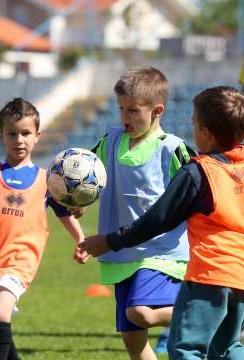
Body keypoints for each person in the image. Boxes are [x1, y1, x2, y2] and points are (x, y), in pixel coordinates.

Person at [80, 85, 244, 359]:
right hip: (239, 275)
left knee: (185, 347)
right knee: (228, 347)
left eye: (193, 123)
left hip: (210, 273)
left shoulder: (199, 172)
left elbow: (157, 220)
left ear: (205, 132)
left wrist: (110, 240)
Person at [0, 98, 89, 360]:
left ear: (37, 136)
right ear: (1, 136)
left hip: (20, 259)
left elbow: (64, 214)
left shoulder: (47, 180)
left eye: (26, 133)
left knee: (0, 312)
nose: (19, 139)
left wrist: (81, 239)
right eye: (12, 133)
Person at [80, 66, 196, 359]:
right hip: (120, 256)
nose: (125, 117)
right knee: (133, 340)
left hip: (161, 254)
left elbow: (200, 187)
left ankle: (212, 312)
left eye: (133, 110)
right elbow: (86, 174)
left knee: (140, 313)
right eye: (121, 109)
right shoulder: (112, 140)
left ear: (157, 110)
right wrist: (76, 200)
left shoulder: (173, 149)